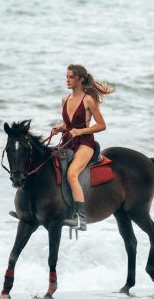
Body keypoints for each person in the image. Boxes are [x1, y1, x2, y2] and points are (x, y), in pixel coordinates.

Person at [51, 64, 115, 230]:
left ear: (79, 79)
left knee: (72, 174)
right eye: (66, 77)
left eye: (71, 77)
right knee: (49, 167)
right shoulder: (65, 100)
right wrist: (60, 127)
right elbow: (68, 124)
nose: (67, 80)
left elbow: (101, 125)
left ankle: (81, 219)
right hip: (68, 141)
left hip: (85, 143)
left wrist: (81, 131)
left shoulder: (88, 100)